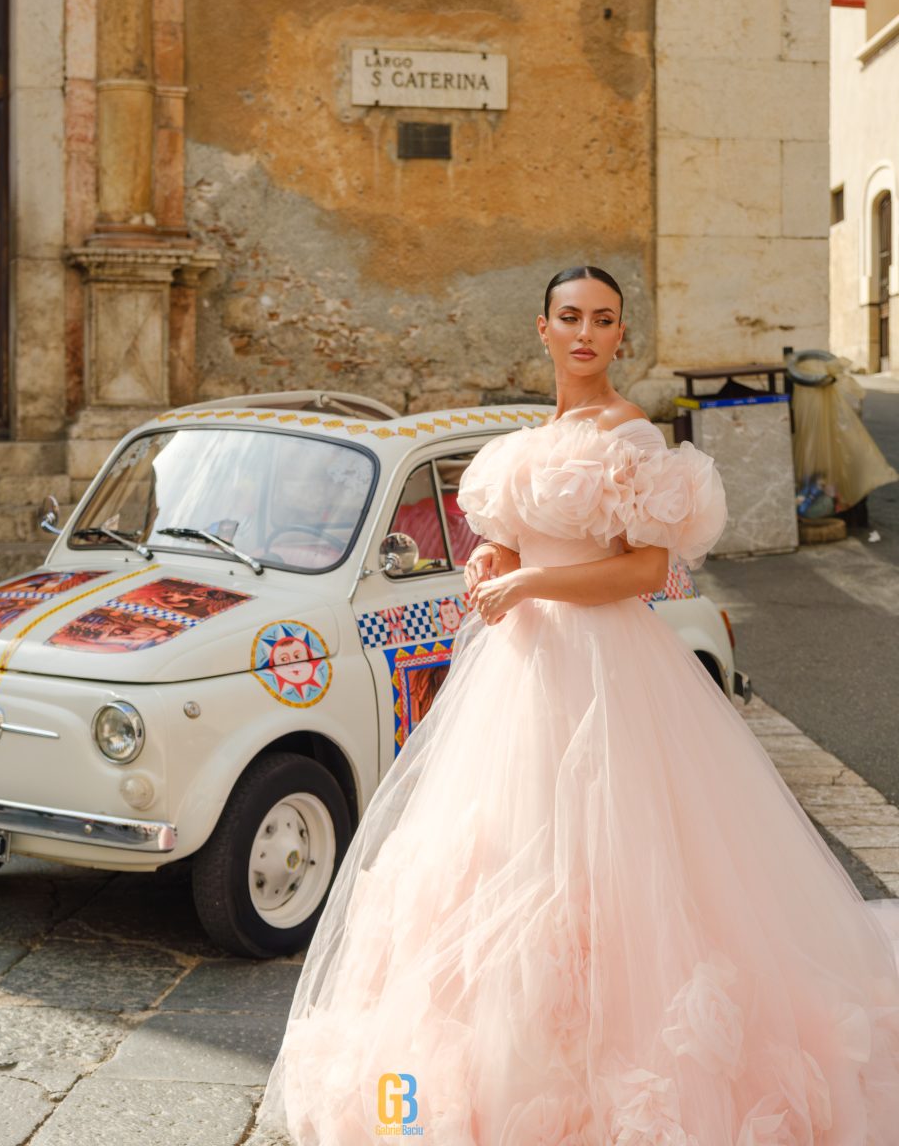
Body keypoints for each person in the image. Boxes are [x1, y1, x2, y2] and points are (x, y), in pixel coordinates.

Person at [255, 266, 899, 1146]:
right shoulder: (538, 433)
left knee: (619, 863)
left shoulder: (631, 432)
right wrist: (492, 563)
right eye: (571, 318)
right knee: (500, 859)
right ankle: (463, 1089)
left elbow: (648, 570)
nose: (587, 332)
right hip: (521, 672)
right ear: (545, 329)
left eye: (604, 319)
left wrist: (530, 581)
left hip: (606, 669)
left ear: (620, 336)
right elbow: (511, 538)